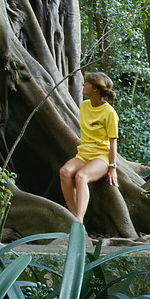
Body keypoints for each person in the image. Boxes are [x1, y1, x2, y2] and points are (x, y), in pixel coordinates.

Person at [59, 71, 119, 223]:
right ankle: (75, 217)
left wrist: (112, 167)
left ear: (95, 90)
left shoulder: (109, 113)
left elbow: (113, 142)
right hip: (84, 153)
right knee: (65, 172)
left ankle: (79, 221)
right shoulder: (84, 106)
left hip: (101, 156)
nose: (83, 85)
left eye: (87, 83)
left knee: (81, 177)